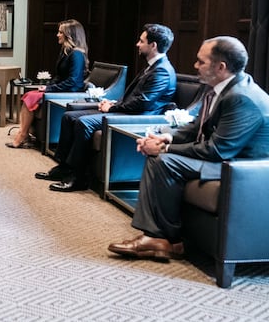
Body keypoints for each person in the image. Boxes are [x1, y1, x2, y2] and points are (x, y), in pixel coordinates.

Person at [108, 36, 269, 261]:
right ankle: (162, 239)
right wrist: (166, 137)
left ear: (221, 67)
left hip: (242, 169)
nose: (195, 66)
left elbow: (217, 150)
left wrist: (164, 150)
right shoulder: (222, 87)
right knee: (159, 158)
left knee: (163, 161)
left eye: (200, 62)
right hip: (224, 157)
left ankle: (160, 237)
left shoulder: (241, 98)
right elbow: (197, 126)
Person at [37, 23, 177, 192]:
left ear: (153, 45)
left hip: (137, 117)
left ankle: (79, 177)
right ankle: (64, 167)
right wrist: (113, 103)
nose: (137, 44)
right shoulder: (152, 66)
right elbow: (133, 97)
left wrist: (112, 109)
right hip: (126, 110)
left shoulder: (162, 71)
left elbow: (143, 103)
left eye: (141, 41)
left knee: (84, 123)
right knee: (69, 116)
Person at [7, 19, 88, 149]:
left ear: (69, 35)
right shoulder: (66, 52)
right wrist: (47, 86)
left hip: (70, 92)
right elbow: (59, 76)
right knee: (29, 95)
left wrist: (50, 88)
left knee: (31, 96)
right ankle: (24, 133)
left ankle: (22, 135)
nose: (57, 35)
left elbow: (73, 81)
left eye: (60, 32)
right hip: (60, 88)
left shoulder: (77, 54)